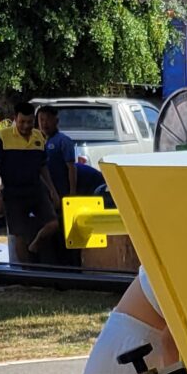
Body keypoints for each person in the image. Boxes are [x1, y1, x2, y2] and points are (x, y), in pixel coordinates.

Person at [28, 101, 109, 266]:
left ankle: (72, 265)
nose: (44, 123)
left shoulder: (63, 141)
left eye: (48, 119)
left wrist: (71, 194)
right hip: (51, 194)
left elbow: (71, 169)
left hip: (69, 193)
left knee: (68, 229)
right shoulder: (36, 142)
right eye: (41, 119)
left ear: (56, 121)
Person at [0, 96, 47, 265]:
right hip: (13, 194)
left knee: (50, 225)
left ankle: (35, 259)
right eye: (22, 122)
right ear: (15, 119)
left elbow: (43, 168)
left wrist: (52, 191)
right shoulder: (1, 137)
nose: (26, 126)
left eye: (29, 122)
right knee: (19, 234)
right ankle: (24, 271)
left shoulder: (39, 137)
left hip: (35, 191)